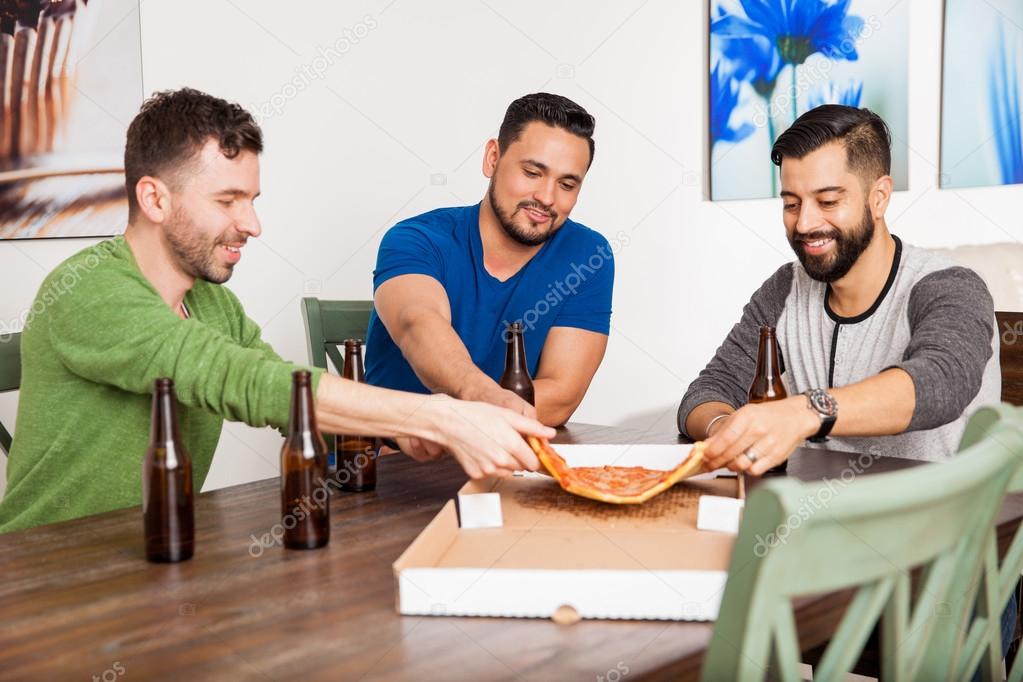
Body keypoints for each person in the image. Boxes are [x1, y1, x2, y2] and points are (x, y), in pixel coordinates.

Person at [0, 88, 553, 533]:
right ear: (155, 199)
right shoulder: (88, 289)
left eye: (252, 200)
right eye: (227, 201)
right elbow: (238, 378)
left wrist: (398, 427)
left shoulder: (213, 303)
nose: (253, 224)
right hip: (43, 576)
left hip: (159, 554)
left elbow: (286, 395)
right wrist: (437, 414)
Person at [678, 105, 1000, 475]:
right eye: (791, 203)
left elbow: (941, 383)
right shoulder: (785, 289)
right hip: (808, 518)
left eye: (828, 201)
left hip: (934, 521)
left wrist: (805, 411)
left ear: (878, 197)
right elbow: (708, 391)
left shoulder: (950, 286)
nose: (805, 222)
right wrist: (728, 431)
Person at [365, 93, 614, 428]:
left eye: (567, 184)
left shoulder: (588, 255)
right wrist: (480, 397)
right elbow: (419, 324)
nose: (546, 198)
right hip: (395, 459)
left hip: (506, 459)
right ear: (493, 158)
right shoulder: (416, 239)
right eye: (532, 172)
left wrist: (472, 416)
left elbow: (560, 397)